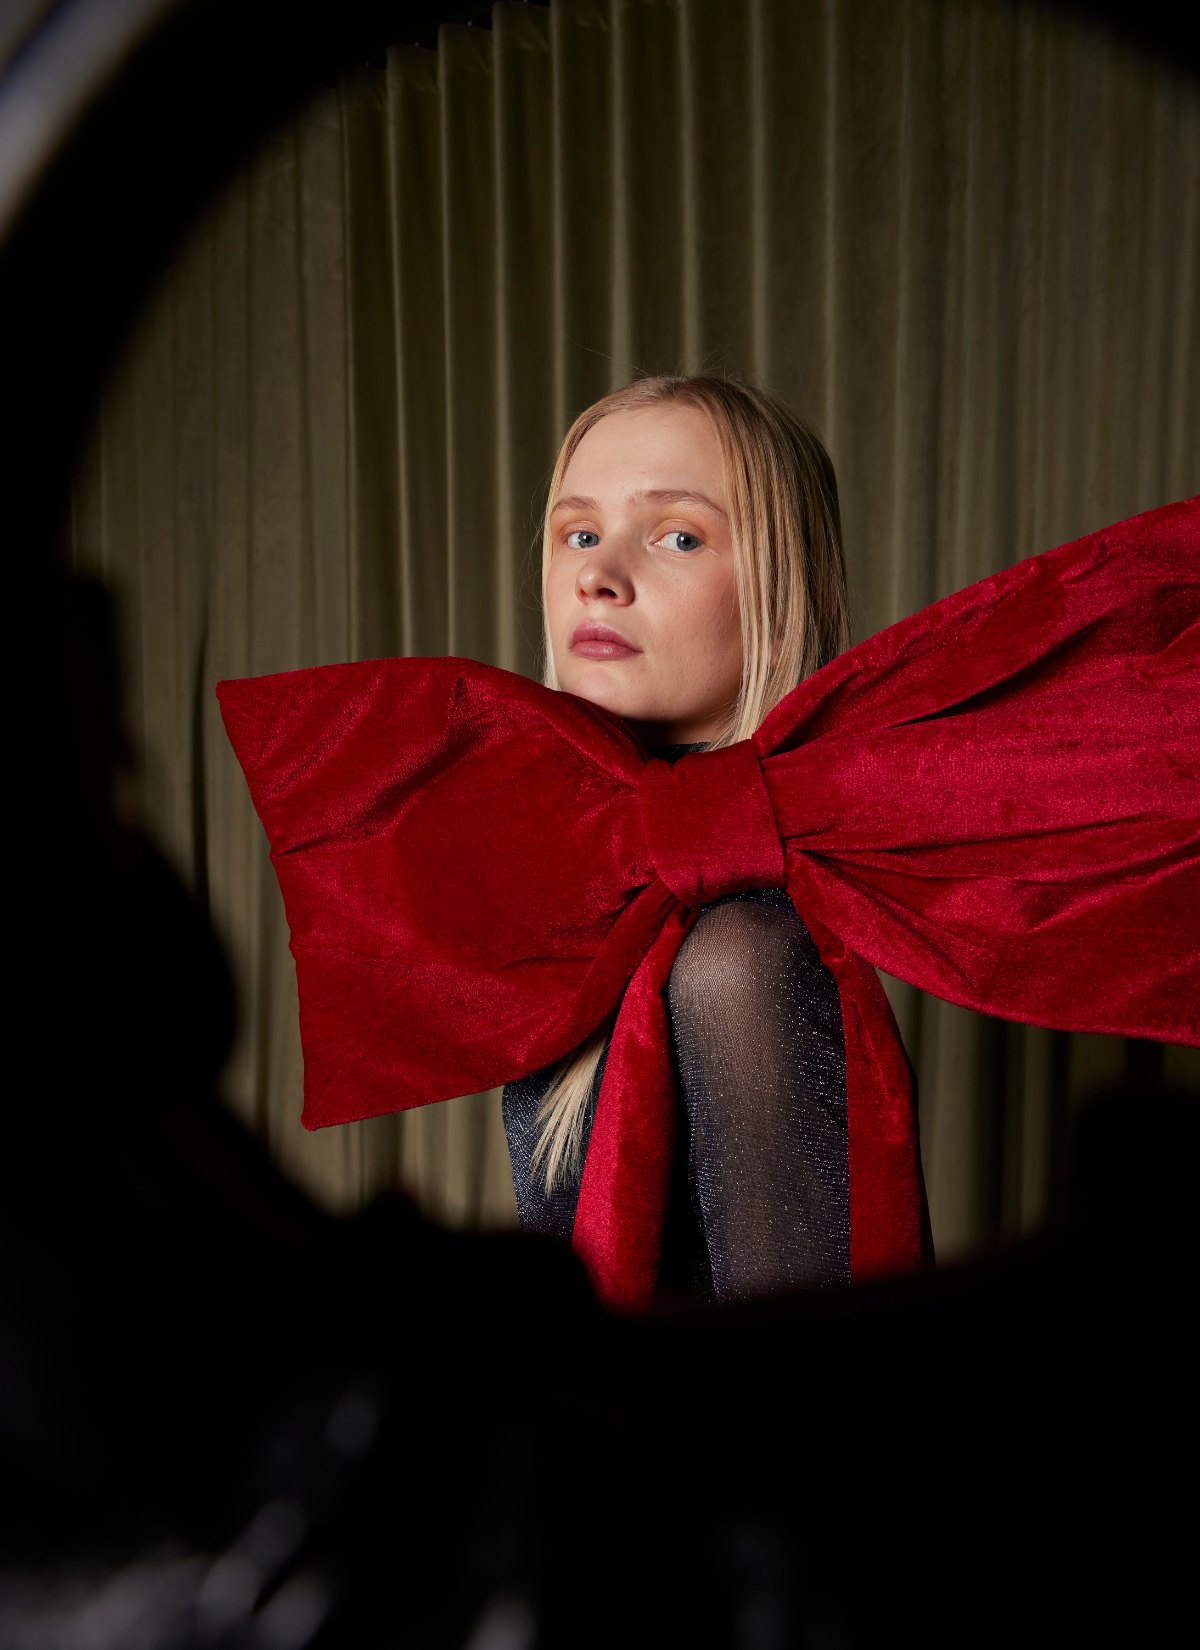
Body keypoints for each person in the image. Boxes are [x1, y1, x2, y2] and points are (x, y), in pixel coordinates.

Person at [500, 376, 858, 1302]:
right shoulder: (586, 905)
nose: (598, 575)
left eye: (679, 537)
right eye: (580, 533)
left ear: (779, 591)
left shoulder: (741, 958)